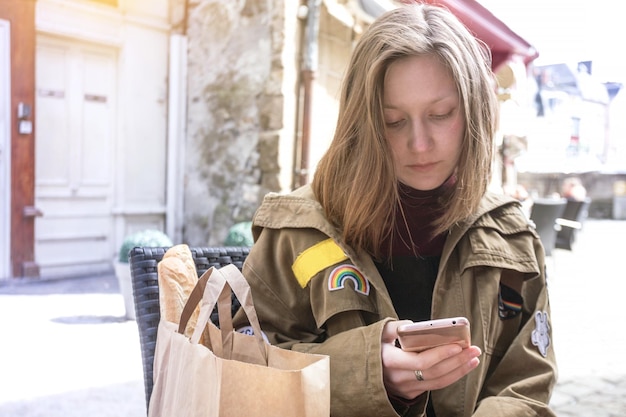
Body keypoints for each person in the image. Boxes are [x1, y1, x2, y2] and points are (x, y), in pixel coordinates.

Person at [233, 3, 557, 416]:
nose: (419, 144)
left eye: (441, 115)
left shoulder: (512, 236)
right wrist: (368, 373)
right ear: (361, 123)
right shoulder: (296, 231)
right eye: (393, 121)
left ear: (474, 112)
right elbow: (243, 361)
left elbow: (527, 383)